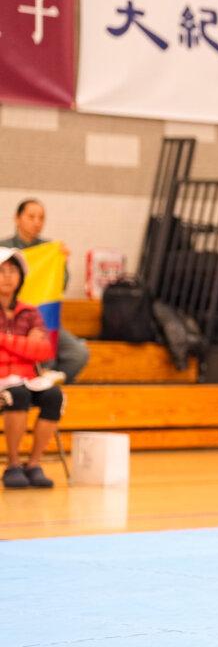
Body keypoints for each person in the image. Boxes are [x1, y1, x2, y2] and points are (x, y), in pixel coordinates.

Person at [3, 199, 90, 382]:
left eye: (41, 218)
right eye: (31, 216)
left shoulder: (50, 248)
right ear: (17, 218)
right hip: (11, 316)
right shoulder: (4, 249)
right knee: (37, 354)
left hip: (42, 316)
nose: (37, 222)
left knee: (78, 353)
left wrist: (62, 264)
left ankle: (46, 381)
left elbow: (60, 287)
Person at [0, 248, 65, 489]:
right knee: (18, 394)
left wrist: (4, 340)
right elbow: (31, 348)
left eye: (13, 271)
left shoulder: (29, 311)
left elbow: (44, 351)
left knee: (53, 396)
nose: (7, 276)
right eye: (2, 271)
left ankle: (34, 464)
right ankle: (13, 464)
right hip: (4, 382)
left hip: (28, 377)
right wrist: (26, 343)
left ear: (21, 277)